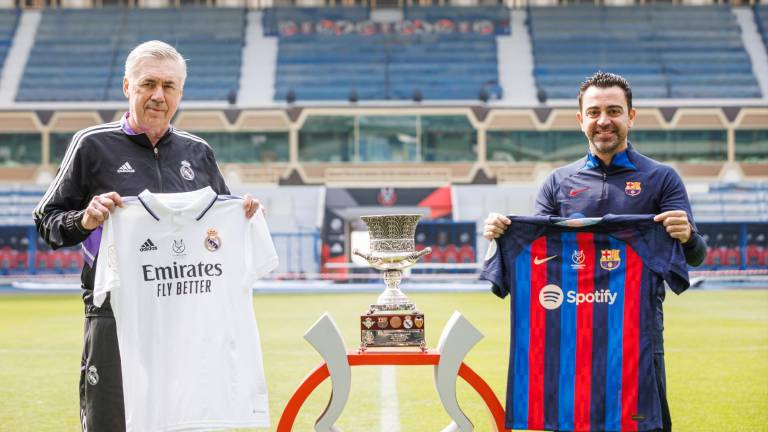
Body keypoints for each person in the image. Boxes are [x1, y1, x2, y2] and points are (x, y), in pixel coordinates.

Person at [33, 40, 261, 431]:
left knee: (184, 422)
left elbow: (216, 230)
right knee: (110, 423)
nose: (158, 96)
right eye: (148, 84)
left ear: (180, 93)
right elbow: (47, 222)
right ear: (127, 87)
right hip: (114, 312)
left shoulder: (198, 153)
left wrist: (242, 215)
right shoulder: (91, 144)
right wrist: (85, 220)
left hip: (185, 314)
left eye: (168, 86)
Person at [483, 71, 706, 432]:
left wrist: (688, 236)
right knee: (569, 421)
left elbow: (695, 257)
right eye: (594, 112)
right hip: (568, 335)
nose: (604, 120)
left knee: (641, 425)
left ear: (631, 116)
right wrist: (500, 236)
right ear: (580, 119)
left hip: (639, 337)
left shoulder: (661, 179)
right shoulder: (558, 182)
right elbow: (534, 256)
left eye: (614, 111)